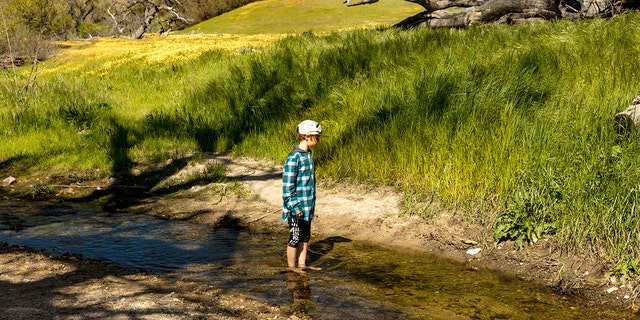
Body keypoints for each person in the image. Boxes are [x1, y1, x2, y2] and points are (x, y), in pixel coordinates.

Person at [282, 119, 322, 271]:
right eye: (316, 137)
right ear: (305, 136)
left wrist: (309, 206)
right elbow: (287, 187)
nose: (317, 140)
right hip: (295, 208)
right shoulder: (294, 158)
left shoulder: (308, 155)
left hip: (307, 205)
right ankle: (292, 268)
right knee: (295, 237)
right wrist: (294, 207)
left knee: (305, 237)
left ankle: (302, 265)